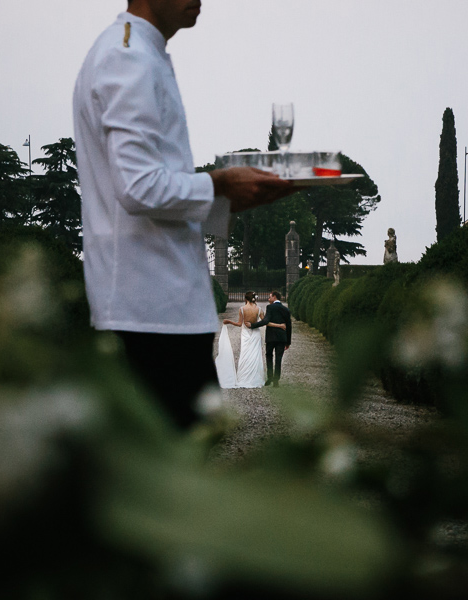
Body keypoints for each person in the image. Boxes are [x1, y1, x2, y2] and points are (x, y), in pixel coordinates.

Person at [73, 0, 295, 428]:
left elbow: (150, 193)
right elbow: (137, 187)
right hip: (151, 314)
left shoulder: (138, 52)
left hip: (155, 308)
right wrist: (221, 185)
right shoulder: (129, 57)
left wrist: (229, 200)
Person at [217, 291, 286, 388]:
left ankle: (244, 377)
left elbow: (239, 324)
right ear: (255, 299)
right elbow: (266, 322)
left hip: (245, 334)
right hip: (256, 335)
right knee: (255, 356)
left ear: (246, 299)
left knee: (245, 355)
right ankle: (255, 377)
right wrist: (279, 325)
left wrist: (229, 322)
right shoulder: (259, 309)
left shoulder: (242, 309)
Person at [248, 291, 292, 387]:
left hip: (271, 337)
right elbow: (289, 326)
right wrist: (288, 341)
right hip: (282, 338)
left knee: (269, 356)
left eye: (269, 297)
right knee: (278, 359)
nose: (268, 299)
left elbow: (266, 321)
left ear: (274, 297)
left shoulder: (270, 307)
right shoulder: (286, 309)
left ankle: (270, 378)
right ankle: (276, 380)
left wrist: (253, 325)